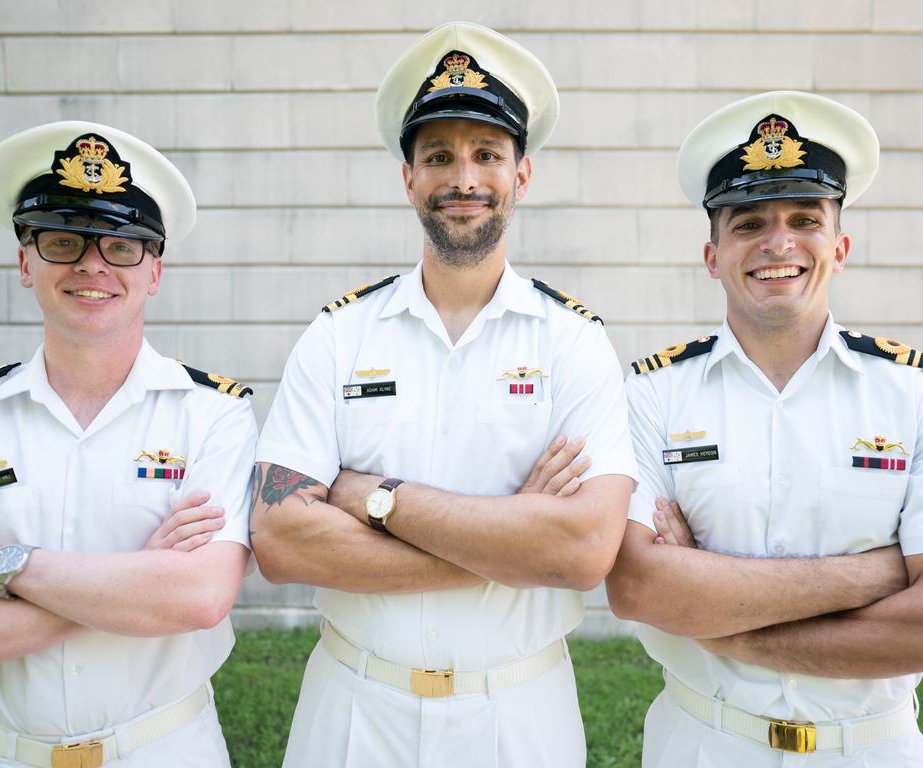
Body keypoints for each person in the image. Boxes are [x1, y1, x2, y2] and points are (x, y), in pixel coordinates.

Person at [251, 21, 636, 768]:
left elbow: (585, 549)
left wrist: (372, 499)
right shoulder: (339, 337)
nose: (464, 178)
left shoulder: (574, 343)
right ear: (409, 178)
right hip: (354, 712)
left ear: (522, 175)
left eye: (487, 153)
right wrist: (514, 539)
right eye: (439, 156)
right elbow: (280, 540)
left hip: (518, 717)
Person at [0, 121, 257, 767]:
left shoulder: (212, 416)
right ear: (24, 262)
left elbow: (196, 598)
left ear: (154, 272)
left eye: (122, 246)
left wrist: (10, 567)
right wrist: (136, 589)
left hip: (164, 750)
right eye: (63, 242)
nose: (92, 265)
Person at [607, 91, 923, 765]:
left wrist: (723, 626)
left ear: (839, 247)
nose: (778, 243)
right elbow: (637, 587)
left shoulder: (912, 395)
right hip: (705, 743)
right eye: (749, 223)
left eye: (803, 218)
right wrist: (881, 574)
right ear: (712, 254)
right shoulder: (650, 395)